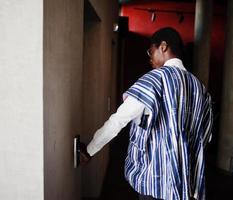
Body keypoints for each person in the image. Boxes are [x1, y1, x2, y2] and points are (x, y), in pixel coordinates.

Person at [80, 27, 213, 200]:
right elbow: (206, 136)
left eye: (150, 51)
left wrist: (89, 150)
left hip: (155, 182)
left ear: (163, 47)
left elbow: (118, 120)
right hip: (185, 184)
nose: (149, 58)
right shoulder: (199, 88)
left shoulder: (152, 81)